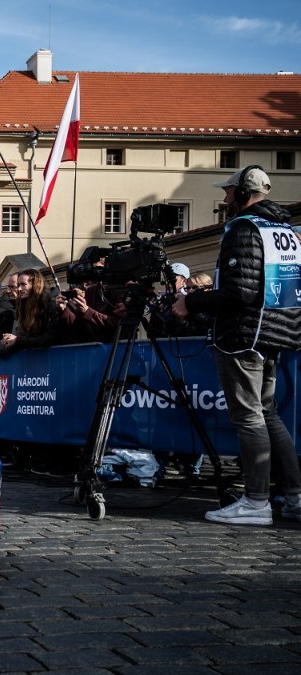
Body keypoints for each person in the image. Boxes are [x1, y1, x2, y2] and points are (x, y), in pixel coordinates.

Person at [172, 165, 301, 525]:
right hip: (277, 330)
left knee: (249, 417)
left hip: (245, 334)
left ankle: (257, 501)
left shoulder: (244, 228)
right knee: (268, 414)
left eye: (230, 192)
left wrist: (191, 302)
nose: (225, 198)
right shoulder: (283, 228)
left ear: (244, 193)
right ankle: (294, 496)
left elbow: (239, 292)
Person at [0, 269, 62, 355]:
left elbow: (49, 338)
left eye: (23, 284)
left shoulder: (49, 305)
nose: (19, 289)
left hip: (51, 358)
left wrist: (17, 340)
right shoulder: (22, 306)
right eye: (18, 285)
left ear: (35, 285)